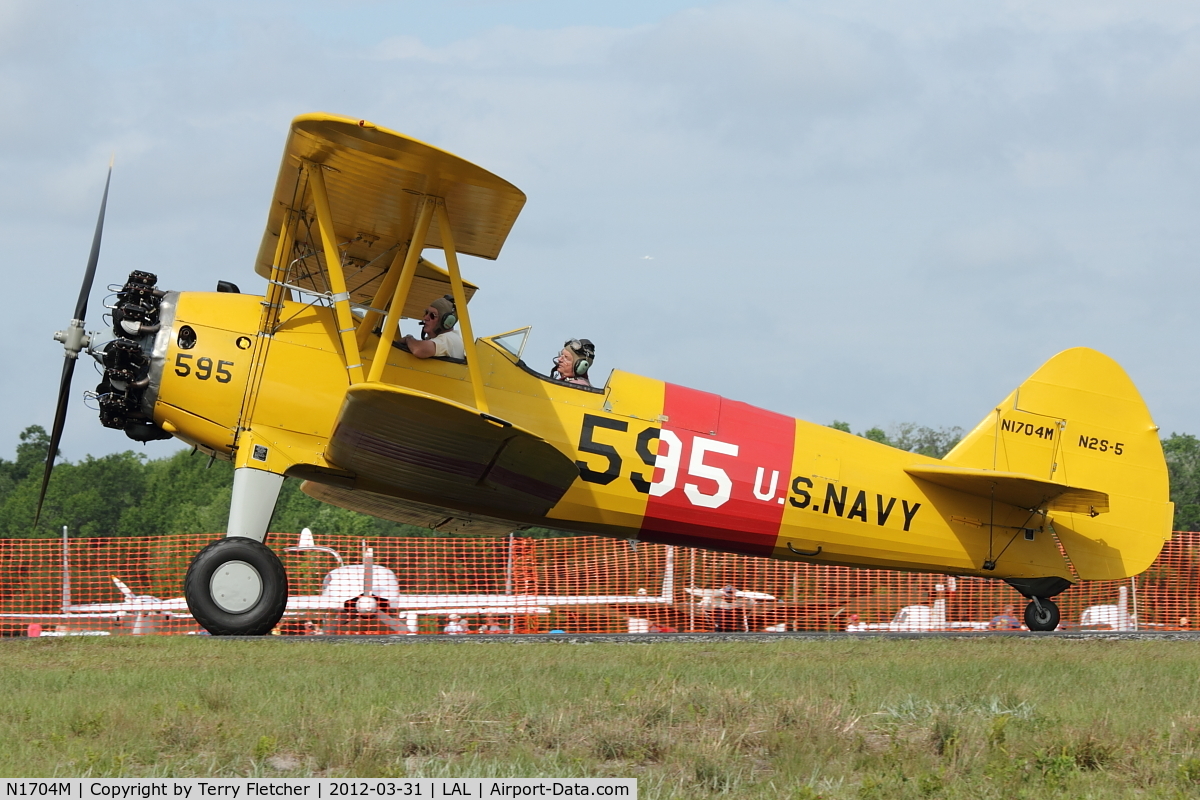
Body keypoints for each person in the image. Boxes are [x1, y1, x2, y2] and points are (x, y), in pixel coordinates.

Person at [400, 295, 465, 359]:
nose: (425, 318)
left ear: (447, 321)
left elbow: (419, 350)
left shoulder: (450, 338)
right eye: (426, 313)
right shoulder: (437, 341)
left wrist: (408, 339)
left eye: (432, 315)